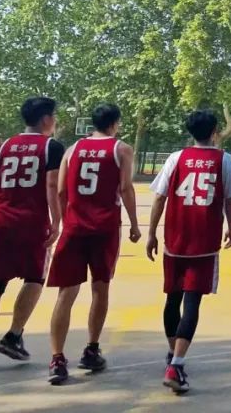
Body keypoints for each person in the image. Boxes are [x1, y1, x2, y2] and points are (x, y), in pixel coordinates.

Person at [146, 109, 231, 394]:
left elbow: (159, 197)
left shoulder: (176, 158)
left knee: (172, 298)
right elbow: (230, 200)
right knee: (192, 302)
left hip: (175, 240)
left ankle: (173, 352)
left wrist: (151, 233)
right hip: (204, 243)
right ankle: (176, 363)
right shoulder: (224, 160)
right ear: (214, 131)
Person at [46, 103, 141, 384]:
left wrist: (64, 220)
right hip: (104, 227)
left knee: (66, 293)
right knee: (100, 288)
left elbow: (61, 190)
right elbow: (125, 188)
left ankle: (57, 358)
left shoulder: (72, 149)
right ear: (115, 123)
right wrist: (135, 223)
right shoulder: (121, 149)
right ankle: (91, 349)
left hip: (75, 227)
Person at [0, 98, 64, 372]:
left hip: (0, 220)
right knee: (34, 278)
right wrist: (56, 221)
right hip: (31, 222)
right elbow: (52, 185)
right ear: (46, 119)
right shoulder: (51, 147)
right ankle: (13, 335)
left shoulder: (4, 146)